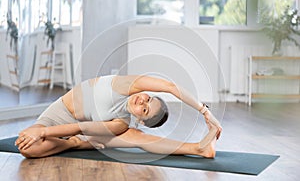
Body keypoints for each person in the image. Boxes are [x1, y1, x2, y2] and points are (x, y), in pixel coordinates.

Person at [15, 75, 222, 158]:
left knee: (30, 150)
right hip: (60, 113)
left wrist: (43, 133)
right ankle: (82, 143)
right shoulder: (127, 86)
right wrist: (204, 110)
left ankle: (199, 148)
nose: (142, 101)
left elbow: (80, 128)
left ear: (140, 120)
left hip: (79, 128)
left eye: (145, 110)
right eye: (148, 98)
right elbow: (169, 86)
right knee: (25, 142)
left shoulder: (120, 124)